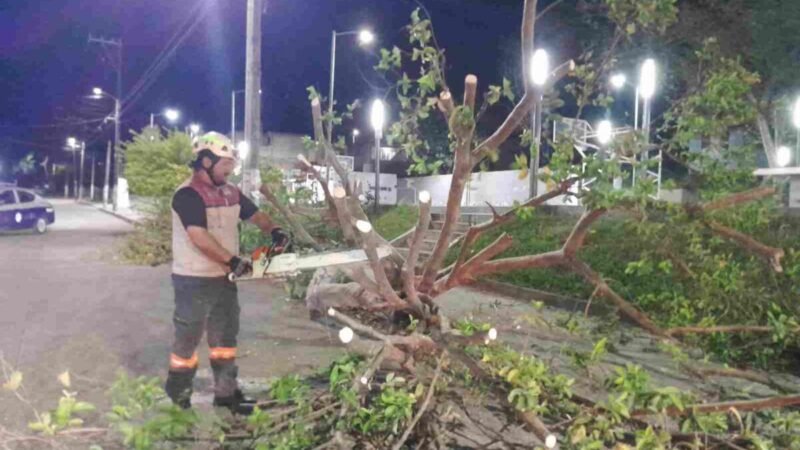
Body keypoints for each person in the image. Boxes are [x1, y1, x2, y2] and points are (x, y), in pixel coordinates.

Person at [166, 131, 288, 414]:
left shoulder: (230, 191)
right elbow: (198, 235)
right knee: (188, 338)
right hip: (192, 279)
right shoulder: (187, 195)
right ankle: (178, 392)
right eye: (225, 165)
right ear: (205, 161)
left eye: (231, 165)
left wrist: (275, 230)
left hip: (223, 279)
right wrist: (233, 260)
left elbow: (255, 214)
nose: (229, 170)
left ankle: (226, 393)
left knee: (224, 340)